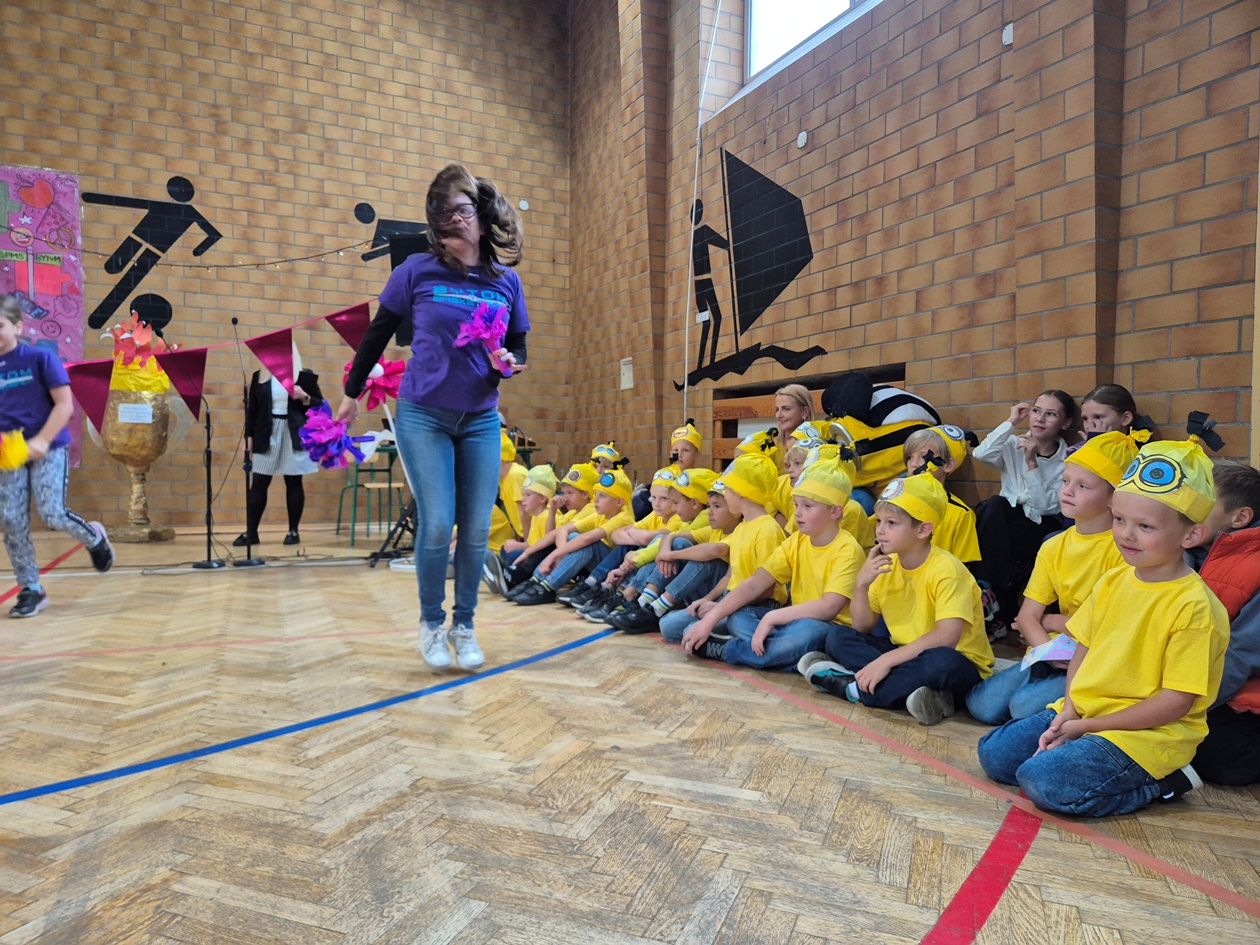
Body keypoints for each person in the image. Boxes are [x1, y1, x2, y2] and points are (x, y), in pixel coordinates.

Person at [976, 436, 1229, 816]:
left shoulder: (1195, 607)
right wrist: (1070, 709)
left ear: (1191, 535)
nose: (1126, 534)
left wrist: (1087, 727)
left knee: (1041, 780)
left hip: (1145, 735)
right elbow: (1085, 647)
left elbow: (1175, 703)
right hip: (1086, 713)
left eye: (1145, 526)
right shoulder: (1114, 580)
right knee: (995, 755)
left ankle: (1165, 782)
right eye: (1119, 519)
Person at [338, 164, 527, 671]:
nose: (454, 220)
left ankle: (464, 626)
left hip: (481, 418)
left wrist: (509, 361)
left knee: (477, 528)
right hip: (423, 414)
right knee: (439, 522)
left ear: (482, 215)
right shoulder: (416, 271)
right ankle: (431, 623)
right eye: (444, 213)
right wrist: (352, 393)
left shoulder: (506, 282)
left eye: (462, 210)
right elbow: (377, 332)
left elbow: (518, 345)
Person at [965, 430, 1140, 725]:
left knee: (1022, 707)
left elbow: (1105, 628)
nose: (1068, 491)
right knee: (981, 706)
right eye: (1065, 481)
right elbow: (1027, 616)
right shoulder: (1054, 545)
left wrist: (1050, 620)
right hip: (1054, 649)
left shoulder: (1123, 550)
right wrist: (1046, 648)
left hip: (1095, 658)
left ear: (1114, 497)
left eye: (1082, 486)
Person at [801, 472, 993, 725]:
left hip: (957, 661)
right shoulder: (886, 564)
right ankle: (917, 693)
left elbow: (946, 638)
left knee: (940, 663)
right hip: (905, 654)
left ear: (923, 529)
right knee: (838, 637)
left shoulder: (947, 570)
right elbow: (862, 626)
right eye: (879, 521)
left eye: (892, 523)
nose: (880, 530)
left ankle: (854, 687)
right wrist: (861, 585)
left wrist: (886, 661)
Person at [684, 455, 865, 669]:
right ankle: (792, 658)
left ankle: (730, 650)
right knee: (739, 617)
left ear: (835, 511)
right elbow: (755, 583)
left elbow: (828, 608)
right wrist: (710, 619)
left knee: (807, 633)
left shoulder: (847, 549)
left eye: (807, 506)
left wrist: (771, 618)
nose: (797, 513)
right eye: (796, 504)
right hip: (794, 621)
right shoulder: (797, 541)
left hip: (828, 626)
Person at [0, 293, 114, 617]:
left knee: (52, 513)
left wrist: (41, 441)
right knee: (11, 519)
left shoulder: (40, 358)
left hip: (48, 445)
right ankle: (30, 588)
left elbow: (64, 406)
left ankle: (94, 538)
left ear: (17, 327)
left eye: (0, 326)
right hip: (9, 452)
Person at [972, 390, 1077, 635]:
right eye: (1036, 411)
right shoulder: (1013, 443)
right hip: (1006, 516)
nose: (1040, 418)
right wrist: (1011, 422)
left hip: (1041, 522)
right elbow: (981, 454)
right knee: (992, 507)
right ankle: (988, 590)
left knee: (994, 512)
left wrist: (1031, 463)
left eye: (1051, 414)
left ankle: (990, 596)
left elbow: (1046, 506)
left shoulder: (1067, 459)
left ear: (1065, 423)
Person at [672, 452, 788, 650]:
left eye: (727, 489)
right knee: (670, 626)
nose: (724, 494)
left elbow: (766, 589)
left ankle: (727, 644)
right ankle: (723, 637)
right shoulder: (741, 527)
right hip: (732, 599)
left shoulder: (768, 530)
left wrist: (720, 607)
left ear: (741, 491)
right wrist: (709, 600)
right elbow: (732, 574)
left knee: (738, 622)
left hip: (758, 605)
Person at [1190, 459, 1260, 785]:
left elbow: (1240, 654)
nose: (1186, 510)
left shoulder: (1253, 564)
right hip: (1195, 682)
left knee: (1221, 756)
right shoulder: (1187, 549)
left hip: (1235, 690)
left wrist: (1185, 707)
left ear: (1240, 518)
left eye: (1201, 502)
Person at [513, 469, 635, 605]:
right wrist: (528, 552)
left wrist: (556, 555)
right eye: (596, 494)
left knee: (587, 543)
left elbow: (588, 538)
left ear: (619, 502)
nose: (596, 499)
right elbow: (560, 531)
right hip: (599, 565)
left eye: (602, 496)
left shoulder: (623, 518)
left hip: (615, 569)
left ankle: (548, 586)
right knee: (573, 537)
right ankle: (537, 579)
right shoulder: (598, 516)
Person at [237, 353, 323, 547]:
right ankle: (251, 532)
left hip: (293, 432)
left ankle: (293, 531)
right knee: (259, 481)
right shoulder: (260, 377)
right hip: (266, 432)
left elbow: (319, 404)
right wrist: (248, 438)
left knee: (293, 481)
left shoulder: (304, 375)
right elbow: (252, 410)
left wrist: (305, 397)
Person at [901, 425, 980, 566]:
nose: (913, 464)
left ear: (948, 465)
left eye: (923, 457)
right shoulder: (894, 501)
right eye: (910, 457)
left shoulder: (961, 514)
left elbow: (963, 568)